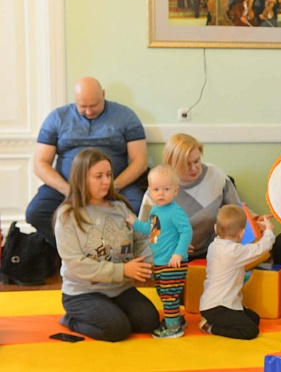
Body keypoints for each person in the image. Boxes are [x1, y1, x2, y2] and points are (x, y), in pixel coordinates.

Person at [26, 77, 148, 245]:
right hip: (68, 185)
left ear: (103, 95)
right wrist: (69, 190)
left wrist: (113, 187)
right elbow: (40, 164)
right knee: (35, 213)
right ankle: (74, 250)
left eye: (94, 105)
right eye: (83, 106)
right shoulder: (56, 118)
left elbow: (140, 161)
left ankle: (111, 252)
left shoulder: (126, 116)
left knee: (137, 209)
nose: (89, 111)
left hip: (114, 184)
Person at [54, 148, 160, 342]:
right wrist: (123, 270)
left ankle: (111, 311)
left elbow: (142, 239)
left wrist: (160, 254)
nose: (106, 181)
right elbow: (75, 264)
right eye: (98, 176)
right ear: (81, 179)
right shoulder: (68, 216)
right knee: (117, 330)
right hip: (83, 293)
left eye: (109, 175)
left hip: (120, 289)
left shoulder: (120, 208)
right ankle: (71, 319)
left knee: (149, 321)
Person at [139, 133, 259, 260]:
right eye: (186, 164)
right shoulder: (156, 191)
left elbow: (237, 211)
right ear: (172, 164)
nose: (194, 168)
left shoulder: (216, 176)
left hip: (215, 251)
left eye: (196, 161)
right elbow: (144, 238)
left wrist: (255, 220)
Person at [127, 165, 192, 338]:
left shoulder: (175, 211)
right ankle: (176, 319)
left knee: (169, 295)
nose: (161, 193)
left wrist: (178, 253)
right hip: (160, 261)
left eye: (166, 189)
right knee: (163, 293)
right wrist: (135, 223)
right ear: (149, 191)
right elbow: (152, 230)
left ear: (175, 191)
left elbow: (186, 231)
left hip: (173, 262)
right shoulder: (155, 210)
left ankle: (173, 327)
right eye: (156, 190)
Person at [199, 204, 275, 340]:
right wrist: (268, 231)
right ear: (241, 233)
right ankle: (210, 328)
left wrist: (256, 225)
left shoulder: (214, 245)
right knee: (251, 331)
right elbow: (261, 248)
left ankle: (212, 321)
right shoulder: (234, 252)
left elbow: (243, 246)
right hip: (218, 307)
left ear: (216, 228)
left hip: (213, 303)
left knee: (254, 319)